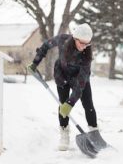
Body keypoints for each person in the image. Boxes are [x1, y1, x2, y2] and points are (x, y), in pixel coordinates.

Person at [28, 23, 98, 151]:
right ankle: (64, 135)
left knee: (89, 105)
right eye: (81, 43)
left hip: (80, 79)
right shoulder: (62, 39)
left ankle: (94, 134)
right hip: (63, 75)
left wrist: (71, 103)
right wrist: (35, 63)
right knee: (62, 106)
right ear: (75, 38)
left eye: (87, 44)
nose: (84, 47)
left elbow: (81, 84)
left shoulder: (87, 55)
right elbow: (45, 46)